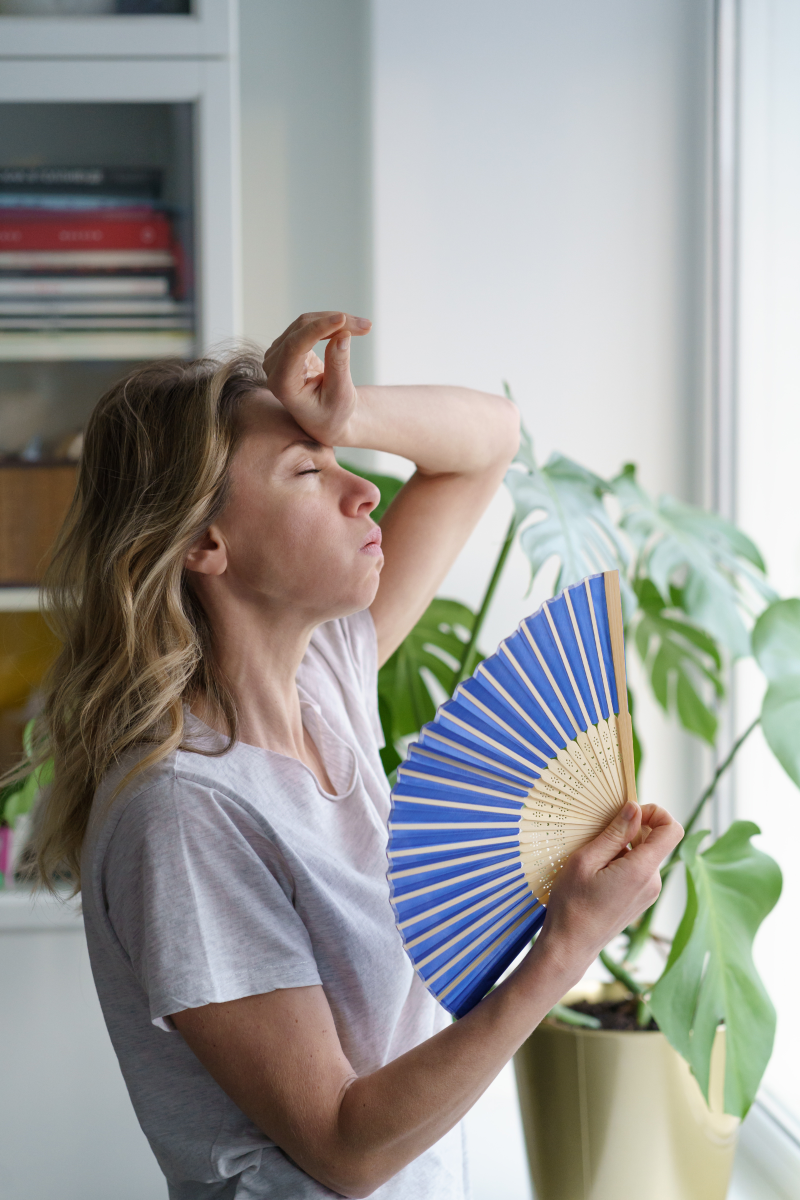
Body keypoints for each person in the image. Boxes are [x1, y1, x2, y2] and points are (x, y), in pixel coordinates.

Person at [29, 311, 682, 1200]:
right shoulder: (183, 810)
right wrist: (569, 944)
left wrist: (341, 418)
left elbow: (489, 442)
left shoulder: (325, 678)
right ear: (204, 545)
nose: (362, 490)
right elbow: (344, 1147)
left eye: (339, 461)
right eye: (308, 471)